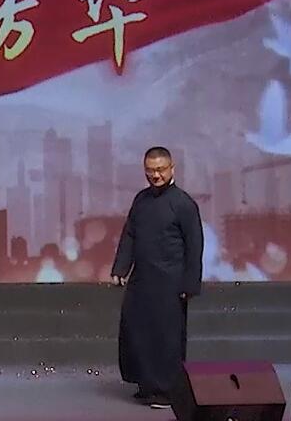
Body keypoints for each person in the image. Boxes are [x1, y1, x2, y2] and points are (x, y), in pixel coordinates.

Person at [111, 147, 204, 410]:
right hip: (142, 279)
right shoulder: (141, 200)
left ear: (172, 168)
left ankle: (166, 391)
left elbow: (195, 245)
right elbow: (129, 235)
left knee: (167, 338)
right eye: (150, 170)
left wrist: (190, 283)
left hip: (171, 283)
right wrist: (120, 269)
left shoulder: (183, 203)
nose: (156, 175)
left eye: (161, 169)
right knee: (136, 332)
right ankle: (146, 384)